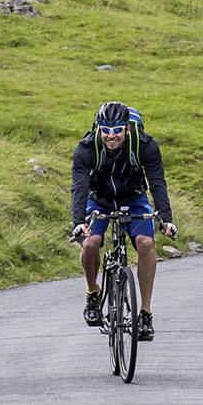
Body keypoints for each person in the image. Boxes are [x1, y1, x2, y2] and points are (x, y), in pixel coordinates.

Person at [71, 100, 174, 340]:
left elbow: (157, 183)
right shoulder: (87, 148)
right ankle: (92, 293)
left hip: (134, 197)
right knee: (90, 242)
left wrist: (165, 219)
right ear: (98, 128)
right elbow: (79, 187)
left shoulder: (145, 146)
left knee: (146, 244)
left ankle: (145, 314)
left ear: (127, 128)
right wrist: (78, 221)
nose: (111, 135)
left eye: (117, 130)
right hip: (99, 199)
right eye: (105, 130)